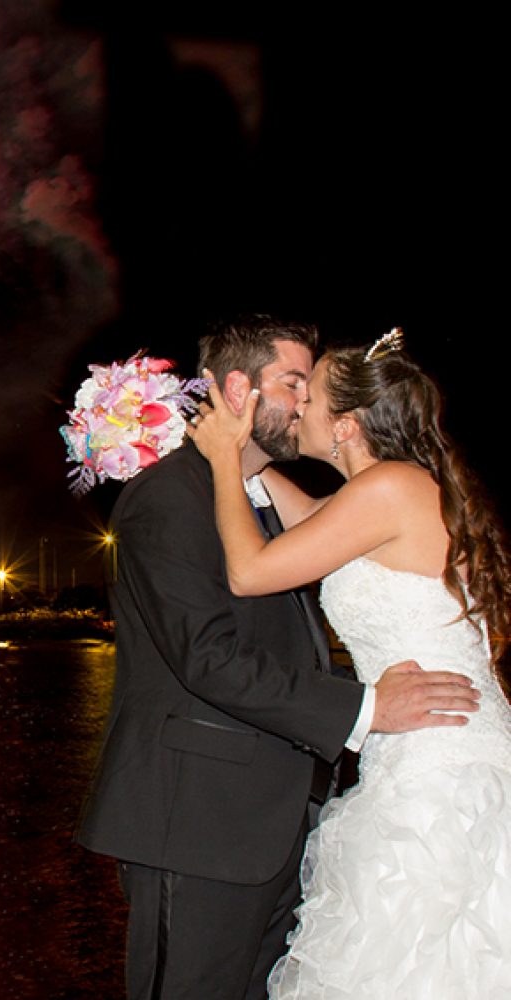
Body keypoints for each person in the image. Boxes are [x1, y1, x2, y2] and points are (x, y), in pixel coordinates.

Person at [74, 315, 481, 1000]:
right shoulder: (171, 497)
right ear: (239, 391)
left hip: (276, 829)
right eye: (294, 382)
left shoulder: (257, 499)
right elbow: (207, 658)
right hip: (199, 825)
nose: (305, 403)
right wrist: (369, 706)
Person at [187, 327, 511, 997]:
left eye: (311, 395)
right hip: (422, 758)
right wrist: (242, 444)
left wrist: (223, 459)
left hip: (440, 779)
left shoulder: (390, 487)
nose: (298, 405)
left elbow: (250, 572)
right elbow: (305, 511)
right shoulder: (382, 493)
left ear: (348, 425)